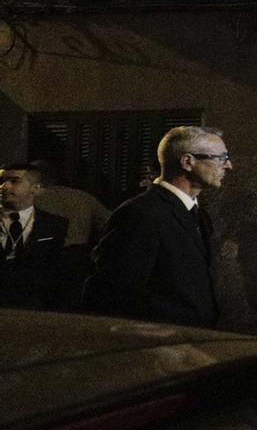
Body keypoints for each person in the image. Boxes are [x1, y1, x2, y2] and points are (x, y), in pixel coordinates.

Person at [83, 125, 228, 327]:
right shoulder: (140, 214)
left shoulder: (199, 215)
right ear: (188, 162)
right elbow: (111, 293)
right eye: (220, 158)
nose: (228, 165)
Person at [0, 162, 75, 310]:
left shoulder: (54, 225)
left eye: (14, 181)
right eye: (1, 181)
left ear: (35, 188)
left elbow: (56, 271)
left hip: (34, 306)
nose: (4, 187)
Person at [28, 159, 110, 253]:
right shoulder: (82, 197)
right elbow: (109, 223)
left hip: (41, 257)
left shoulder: (28, 200)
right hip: (77, 257)